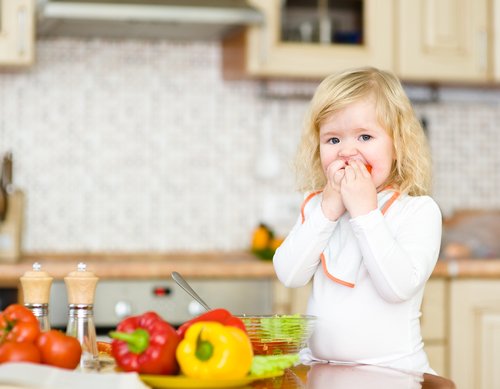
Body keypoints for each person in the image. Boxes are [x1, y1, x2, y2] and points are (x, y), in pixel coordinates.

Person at [273, 67, 442, 374]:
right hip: (323, 370)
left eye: (365, 136)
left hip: (395, 372)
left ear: (398, 145)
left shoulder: (419, 211)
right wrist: (326, 212)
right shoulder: (318, 208)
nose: (347, 151)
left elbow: (397, 288)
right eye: (333, 139)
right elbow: (289, 274)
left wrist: (365, 212)